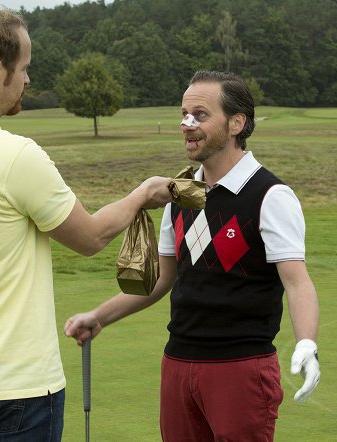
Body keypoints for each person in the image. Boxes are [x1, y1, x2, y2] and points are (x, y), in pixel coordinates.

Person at [0, 8, 172, 442]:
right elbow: (91, 236)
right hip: (20, 392)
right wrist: (141, 195)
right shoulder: (16, 155)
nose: (27, 80)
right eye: (24, 69)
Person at [65, 71, 320, 441]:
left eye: (200, 115)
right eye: (184, 114)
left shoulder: (271, 195)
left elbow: (297, 282)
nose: (186, 125)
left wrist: (306, 342)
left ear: (236, 123)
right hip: (178, 363)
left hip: (241, 367)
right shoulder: (180, 195)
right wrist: (99, 316)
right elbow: (163, 280)